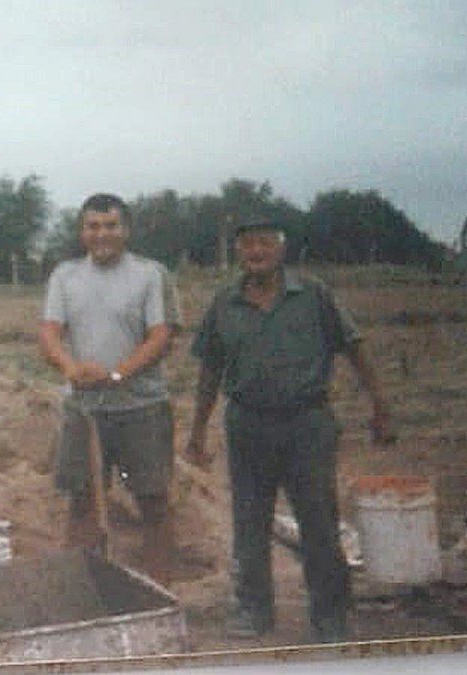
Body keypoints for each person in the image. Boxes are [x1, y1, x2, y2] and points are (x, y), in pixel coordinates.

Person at [184, 217, 394, 643]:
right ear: (238, 252)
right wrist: (197, 430)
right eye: (247, 245)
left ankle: (330, 615)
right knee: (249, 522)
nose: (256, 252)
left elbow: (354, 349)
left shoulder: (314, 295)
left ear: (281, 250)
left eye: (264, 243)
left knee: (319, 520)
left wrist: (381, 406)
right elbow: (210, 370)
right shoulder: (224, 302)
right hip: (247, 425)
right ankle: (254, 611)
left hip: (307, 424)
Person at [39, 193, 181, 579]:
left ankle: (159, 588)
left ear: (126, 230)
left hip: (141, 408)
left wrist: (118, 374)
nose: (102, 234)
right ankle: (83, 589)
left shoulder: (150, 274)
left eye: (111, 226)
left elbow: (160, 336)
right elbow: (49, 333)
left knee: (153, 501)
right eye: (93, 226)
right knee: (82, 504)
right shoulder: (65, 276)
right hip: (84, 410)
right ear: (82, 232)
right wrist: (71, 368)